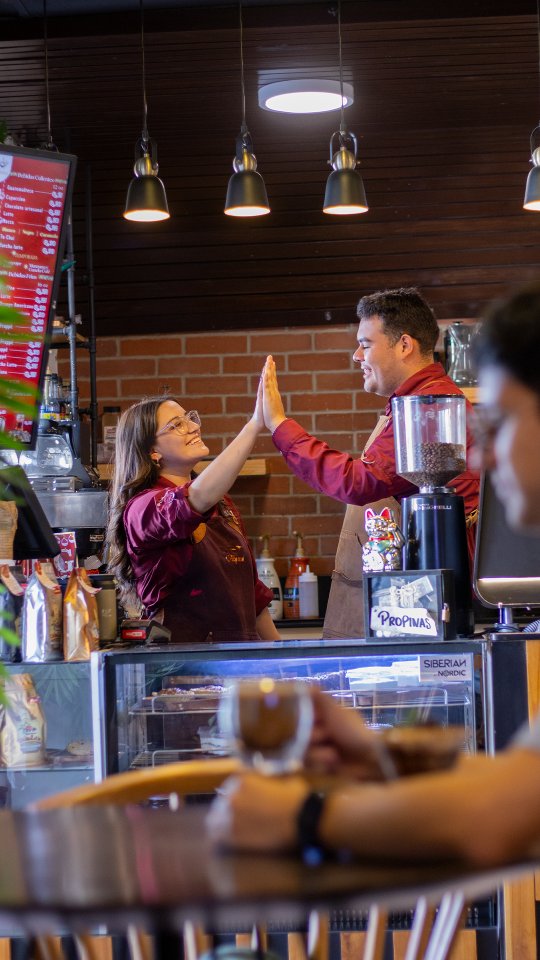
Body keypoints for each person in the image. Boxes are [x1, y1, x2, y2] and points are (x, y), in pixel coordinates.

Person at [206, 281, 540, 866]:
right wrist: (383, 756)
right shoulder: (405, 410)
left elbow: (496, 814)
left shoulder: (426, 407)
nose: (479, 457)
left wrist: (305, 816)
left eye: (502, 419)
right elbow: (516, 782)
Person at [261, 287, 479, 638]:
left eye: (365, 343)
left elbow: (358, 482)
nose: (356, 355)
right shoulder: (415, 401)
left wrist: (280, 426)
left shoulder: (429, 408)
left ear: (404, 345)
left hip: (435, 595)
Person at [106, 387, 279, 643]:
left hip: (241, 661)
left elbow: (250, 596)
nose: (193, 427)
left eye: (189, 418)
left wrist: (281, 656)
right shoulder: (143, 508)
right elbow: (193, 499)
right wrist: (254, 425)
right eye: (177, 425)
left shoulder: (222, 503)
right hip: (187, 666)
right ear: (152, 451)